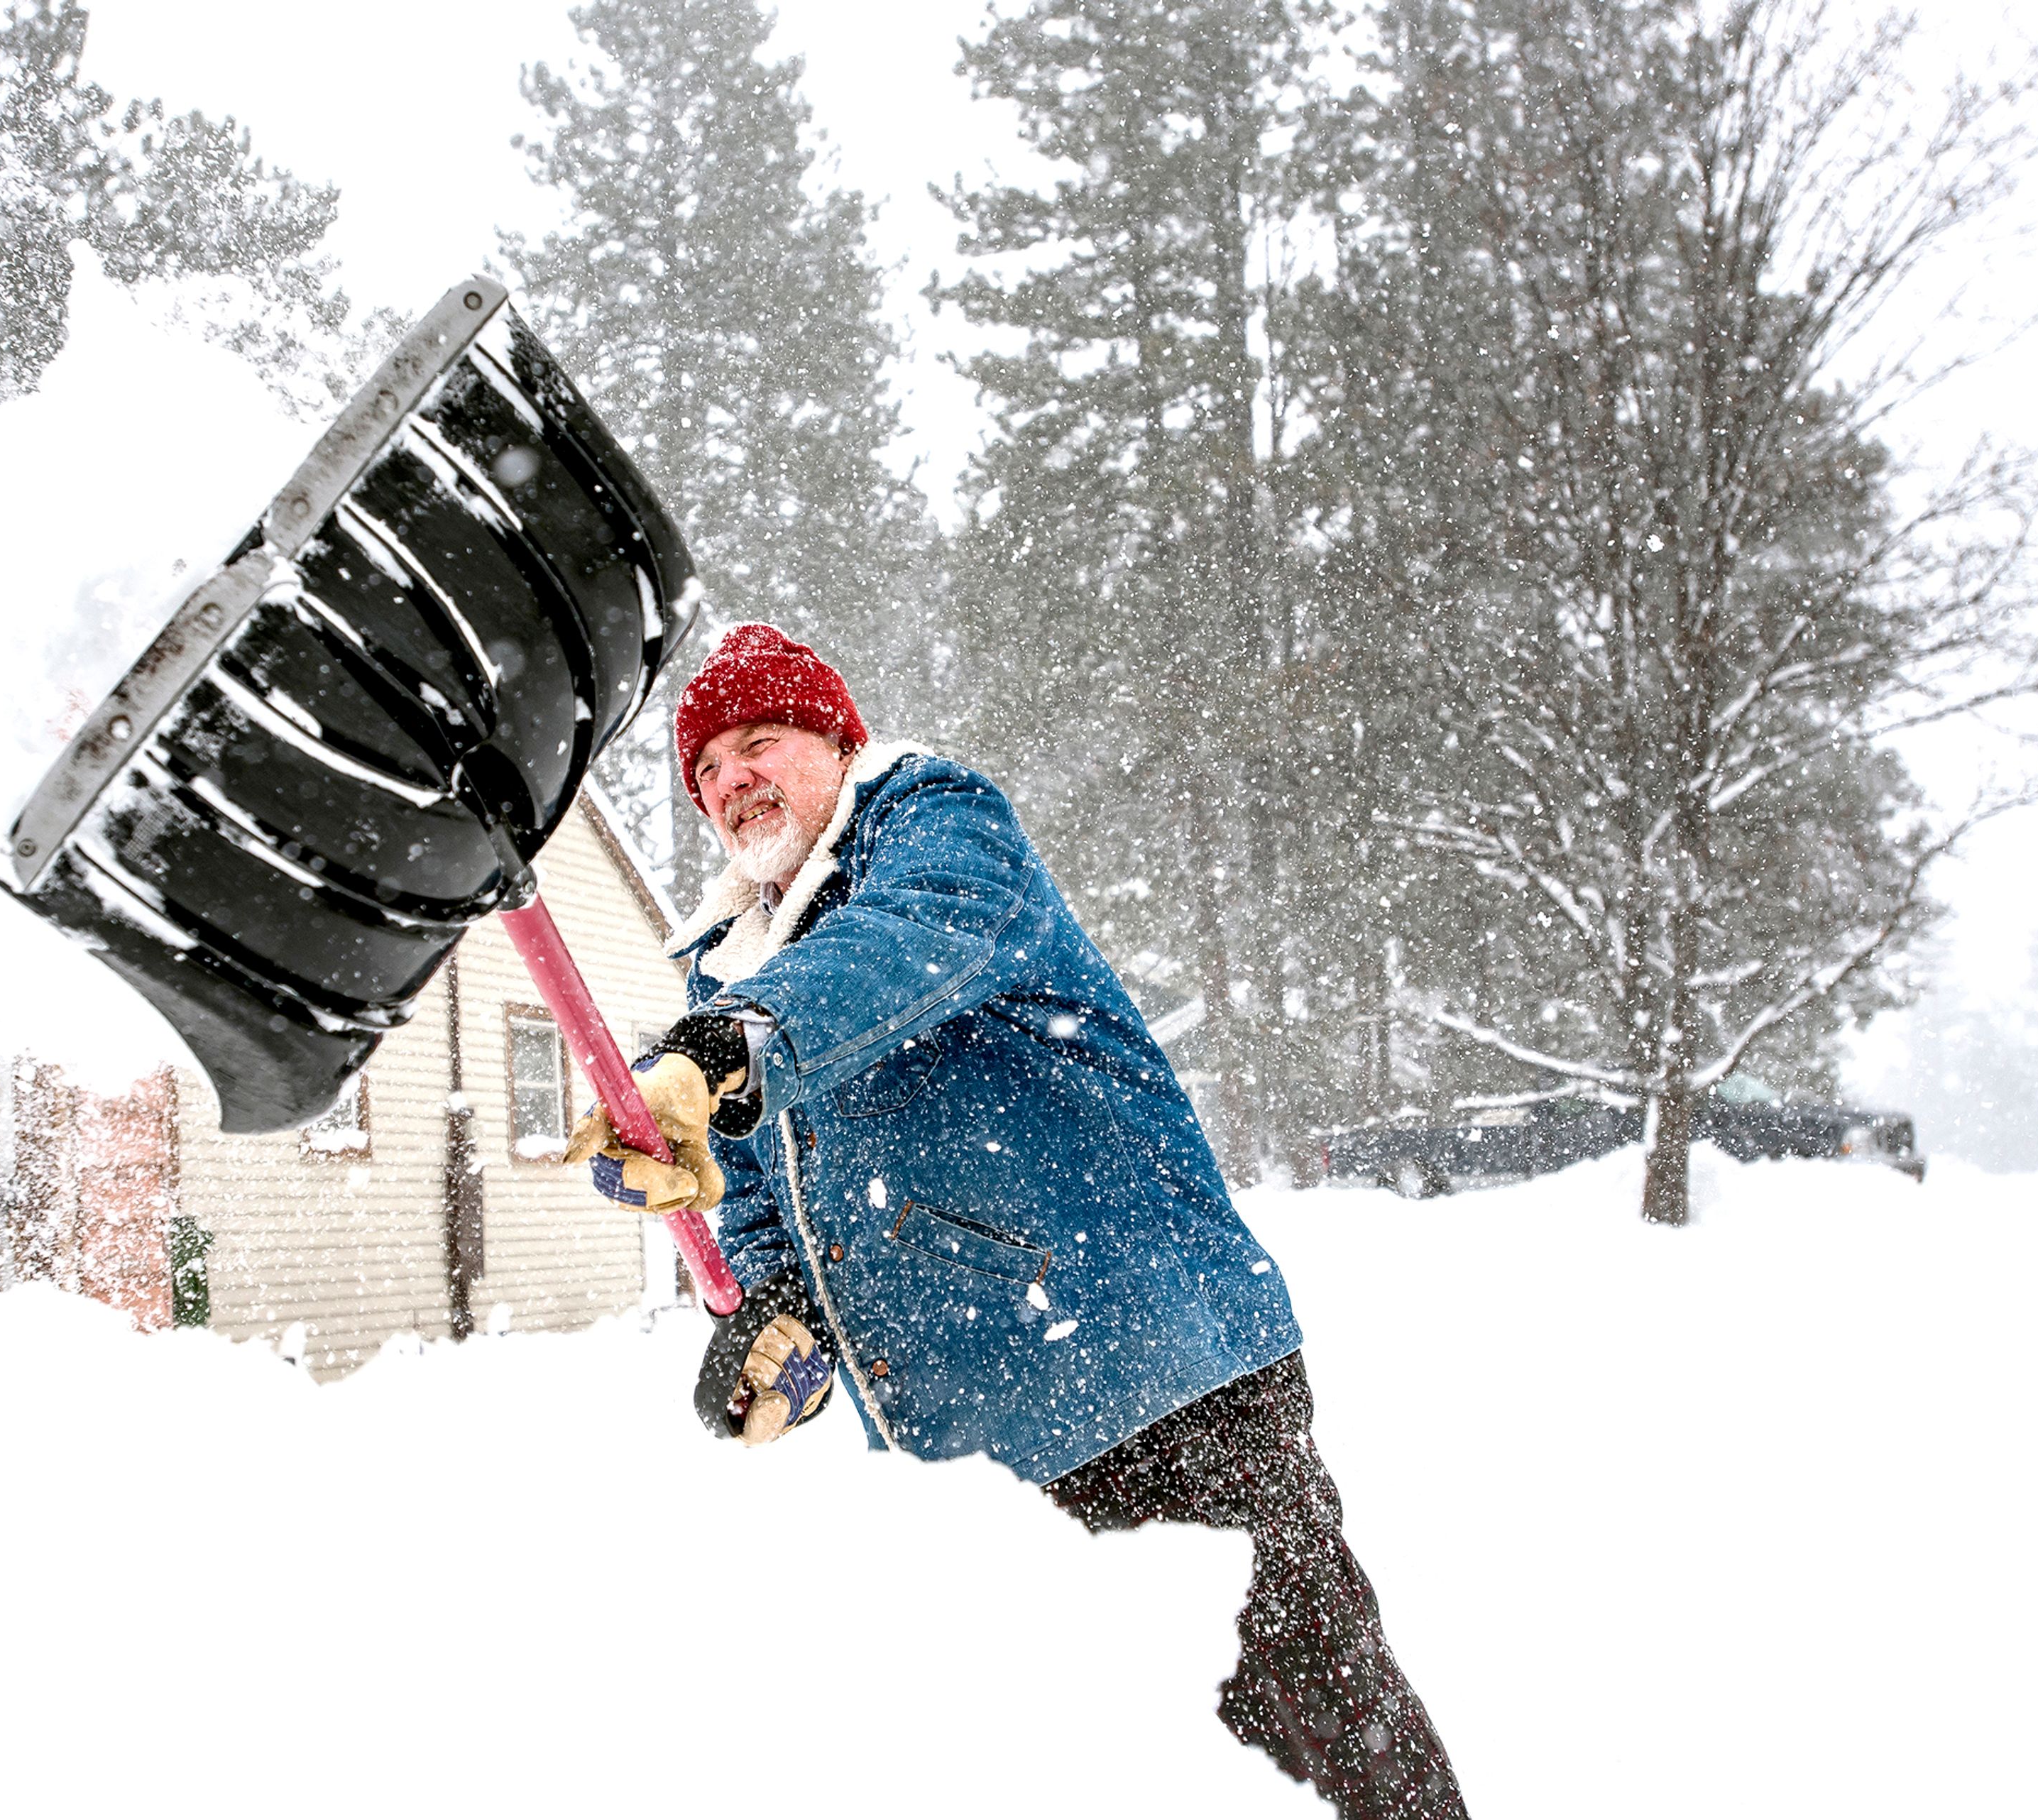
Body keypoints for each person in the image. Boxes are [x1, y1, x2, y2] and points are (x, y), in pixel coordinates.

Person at [564, 624, 1466, 1820]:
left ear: (836, 741)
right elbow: (765, 1192)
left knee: (1317, 1756)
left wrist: (734, 1044)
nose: (733, 783)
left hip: (1157, 1387)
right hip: (979, 1473)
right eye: (708, 770)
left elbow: (905, 946)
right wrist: (778, 1312)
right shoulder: (726, 969)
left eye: (760, 742)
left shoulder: (937, 826)